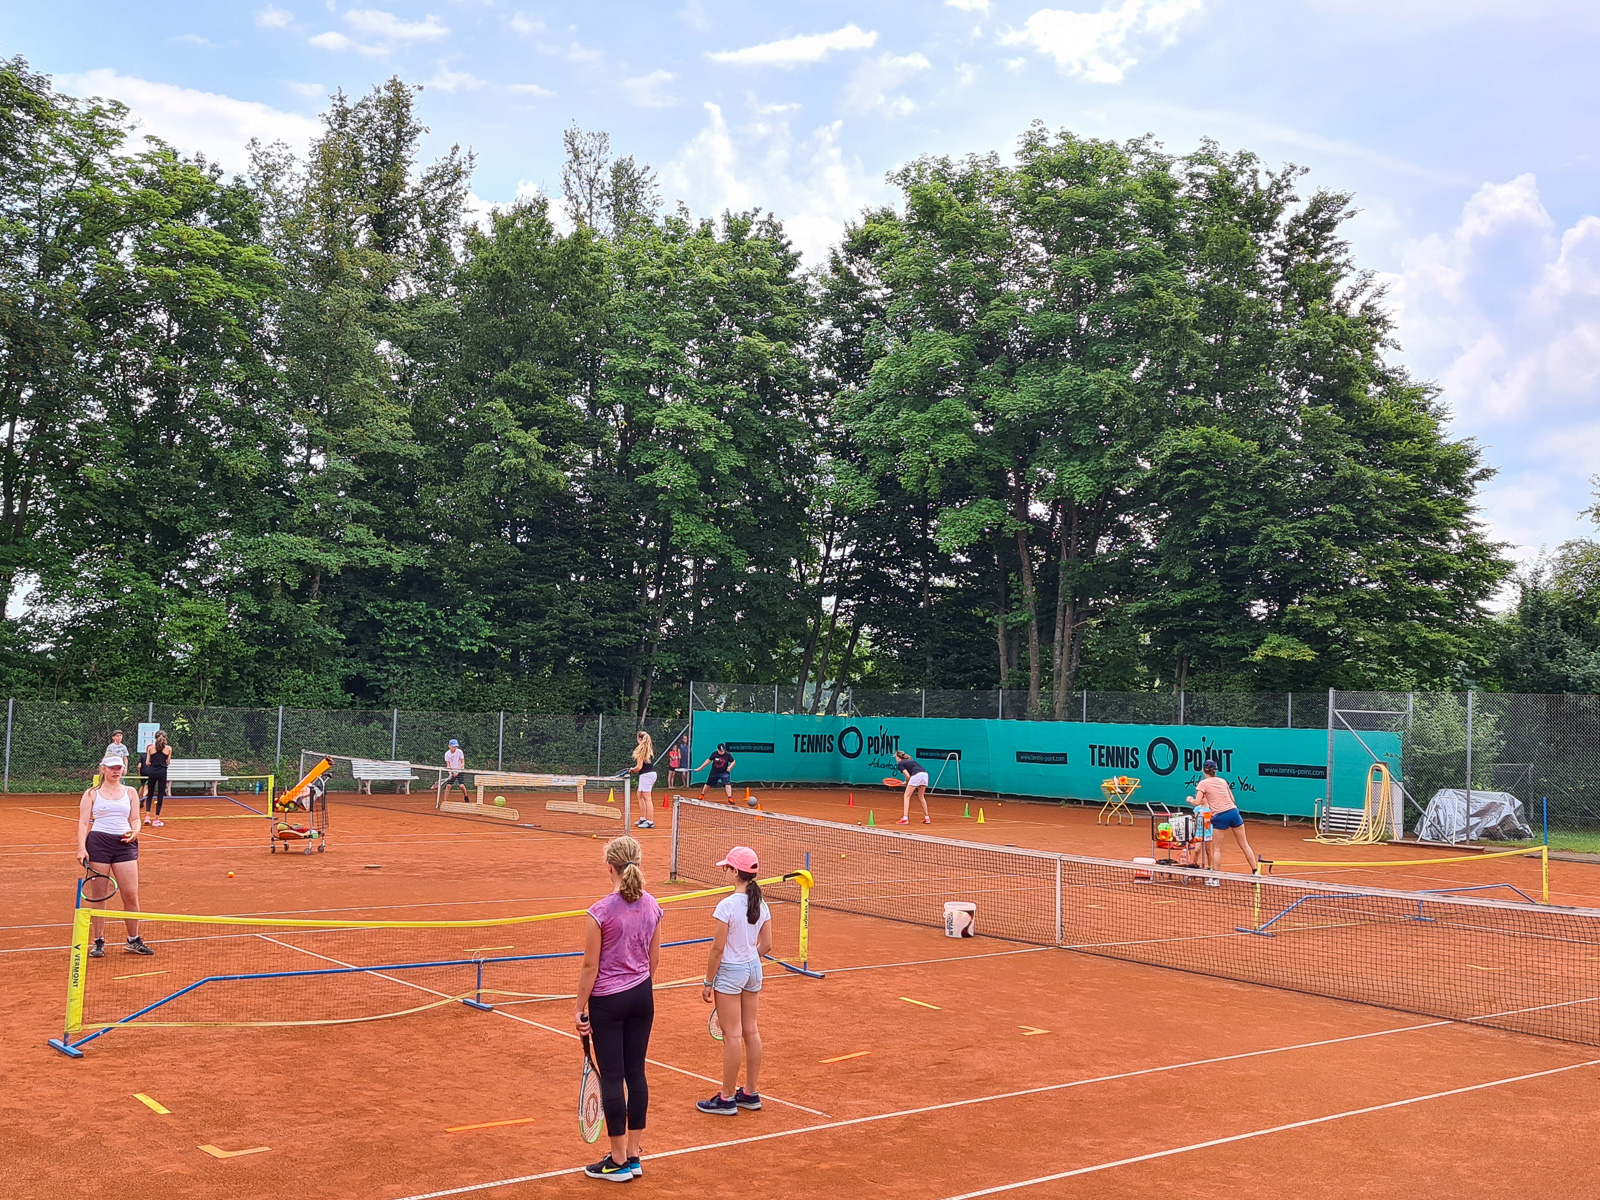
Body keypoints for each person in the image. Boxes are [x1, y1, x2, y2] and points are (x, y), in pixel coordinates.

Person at [574, 835, 662, 1182]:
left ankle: (617, 1159)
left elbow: (589, 967)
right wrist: (639, 985)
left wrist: (579, 1008)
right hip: (643, 996)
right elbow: (654, 960)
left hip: (608, 1002)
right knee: (635, 1072)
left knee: (612, 1076)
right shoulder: (653, 905)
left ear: (609, 866)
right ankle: (635, 1155)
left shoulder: (599, 912)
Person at [697, 845, 769, 1116]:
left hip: (730, 972)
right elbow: (768, 944)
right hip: (753, 969)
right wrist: (750, 957)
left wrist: (707, 981)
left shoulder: (726, 905)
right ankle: (750, 1092)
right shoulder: (760, 903)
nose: (725, 871)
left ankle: (727, 1098)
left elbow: (717, 949)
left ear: (736, 872)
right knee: (751, 1030)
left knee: (733, 1035)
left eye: (727, 867)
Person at [76, 756, 154, 958]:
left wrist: (135, 832)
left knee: (130, 895)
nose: (116, 771)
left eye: (119, 768)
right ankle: (99, 941)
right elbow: (84, 823)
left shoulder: (130, 793)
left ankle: (133, 940)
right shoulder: (91, 794)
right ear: (103, 769)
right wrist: (81, 848)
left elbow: (135, 819)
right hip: (98, 843)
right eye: (112, 768)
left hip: (125, 844)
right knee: (99, 895)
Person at [1189, 758, 1259, 884]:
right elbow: (1232, 798)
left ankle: (1215, 879)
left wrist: (1190, 800)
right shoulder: (1222, 781)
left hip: (1220, 816)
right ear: (1215, 770)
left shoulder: (1203, 784)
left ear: (1203, 770)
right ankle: (1255, 872)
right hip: (1233, 812)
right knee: (1244, 844)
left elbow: (1197, 802)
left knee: (1217, 849)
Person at [140, 731, 171, 828]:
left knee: (150, 793)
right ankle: (156, 819)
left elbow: (147, 762)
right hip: (162, 772)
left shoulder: (150, 748)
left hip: (152, 772)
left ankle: (147, 816)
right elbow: (168, 762)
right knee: (160, 795)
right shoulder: (168, 748)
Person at [893, 750, 931, 826]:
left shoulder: (900, 764)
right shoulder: (909, 761)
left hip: (917, 775)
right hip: (925, 775)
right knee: (921, 796)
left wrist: (907, 783)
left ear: (898, 757)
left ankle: (905, 819)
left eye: (896, 757)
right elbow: (909, 776)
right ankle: (927, 818)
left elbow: (908, 776)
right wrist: (906, 782)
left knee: (906, 796)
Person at [631, 731, 657, 830]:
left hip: (647, 775)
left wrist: (631, 770)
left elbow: (639, 767)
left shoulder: (642, 750)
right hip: (646, 775)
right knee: (640, 795)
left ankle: (650, 822)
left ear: (640, 739)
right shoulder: (648, 749)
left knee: (647, 798)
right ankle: (643, 818)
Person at [442, 738, 470, 803]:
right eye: (453, 746)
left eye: (456, 746)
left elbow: (463, 762)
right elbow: (448, 765)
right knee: (448, 786)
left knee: (461, 786)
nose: (455, 748)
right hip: (452, 771)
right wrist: (450, 773)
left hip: (460, 770)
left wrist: (457, 771)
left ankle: (466, 796)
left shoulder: (460, 752)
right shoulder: (447, 754)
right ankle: (445, 802)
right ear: (449, 746)